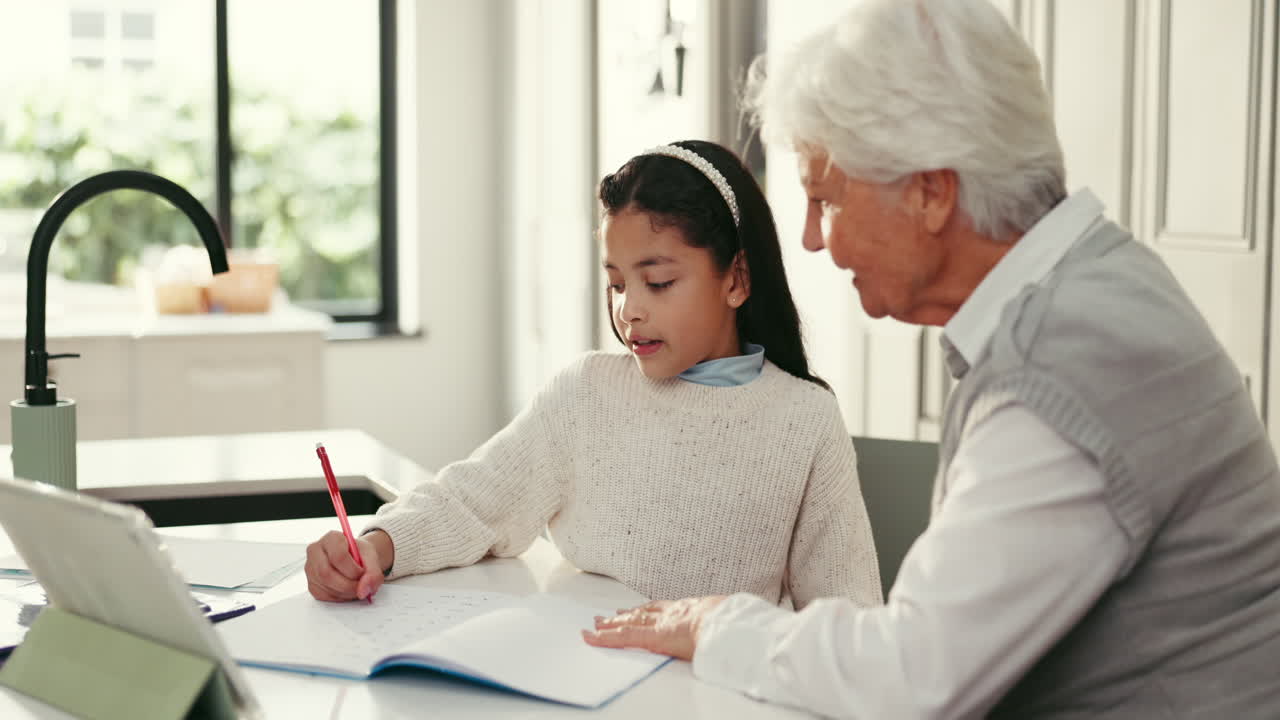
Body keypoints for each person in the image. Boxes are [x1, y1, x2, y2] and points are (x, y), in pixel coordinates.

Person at [582, 2, 1280, 718]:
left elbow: (912, 682)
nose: (815, 239)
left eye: (827, 200)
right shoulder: (1105, 276)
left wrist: (712, 624)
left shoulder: (1060, 365)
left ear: (930, 192)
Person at [305, 140, 882, 615]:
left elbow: (847, 617)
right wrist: (377, 546)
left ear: (736, 279)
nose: (629, 309)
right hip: (582, 677)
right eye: (616, 283)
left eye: (658, 282)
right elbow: (473, 501)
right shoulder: (586, 393)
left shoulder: (805, 420)